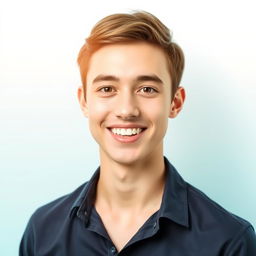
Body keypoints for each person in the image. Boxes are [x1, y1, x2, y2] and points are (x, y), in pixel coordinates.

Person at [19, 11, 256, 255]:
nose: (126, 110)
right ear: (84, 101)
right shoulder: (42, 231)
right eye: (107, 88)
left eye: (147, 89)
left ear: (175, 102)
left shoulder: (229, 240)